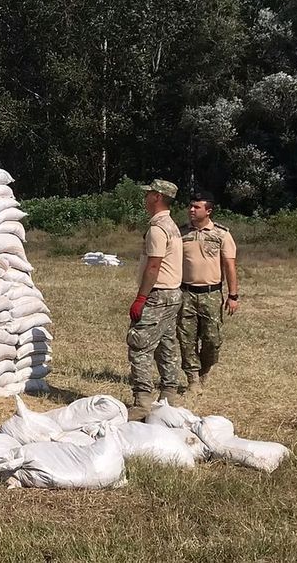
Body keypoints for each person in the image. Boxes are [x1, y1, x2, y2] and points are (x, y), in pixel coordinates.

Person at [127, 179, 184, 420]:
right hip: (173, 294)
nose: (146, 196)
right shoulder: (172, 225)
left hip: (158, 294)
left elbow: (154, 265)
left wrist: (141, 297)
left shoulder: (157, 229)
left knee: (139, 346)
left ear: (158, 197)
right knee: (166, 345)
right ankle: (169, 395)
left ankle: (142, 402)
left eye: (149, 192)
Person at [177, 191, 238, 394]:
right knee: (186, 338)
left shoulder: (221, 234)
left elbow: (230, 265)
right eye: (190, 206)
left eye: (197, 207)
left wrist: (233, 295)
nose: (191, 210)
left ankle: (204, 369)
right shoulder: (181, 233)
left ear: (208, 211)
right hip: (185, 292)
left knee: (212, 339)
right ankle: (192, 379)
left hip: (211, 294)